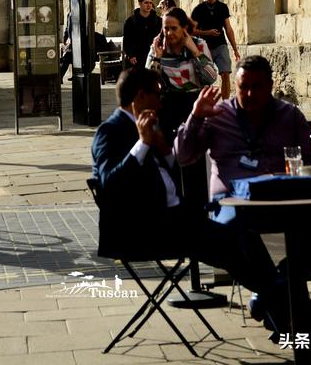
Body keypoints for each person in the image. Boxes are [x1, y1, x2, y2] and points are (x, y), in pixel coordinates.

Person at [91, 67, 289, 333]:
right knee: (232, 242)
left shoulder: (150, 125)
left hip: (172, 220)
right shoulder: (110, 131)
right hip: (141, 230)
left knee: (242, 235)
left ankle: (281, 308)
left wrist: (163, 149)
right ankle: (290, 305)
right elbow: (109, 186)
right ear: (140, 96)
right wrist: (141, 145)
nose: (160, 103)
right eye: (157, 95)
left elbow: (168, 176)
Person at [175, 56, 311, 331]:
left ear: (270, 85)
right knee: (235, 235)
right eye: (242, 87)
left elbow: (310, 163)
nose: (249, 94)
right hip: (233, 204)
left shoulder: (289, 115)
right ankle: (299, 312)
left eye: (256, 87)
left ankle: (274, 291)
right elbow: (185, 157)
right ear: (233, 85)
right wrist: (195, 116)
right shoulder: (218, 115)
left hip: (282, 201)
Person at [146, 6, 218, 142]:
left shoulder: (199, 44)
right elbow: (149, 82)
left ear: (184, 28)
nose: (169, 33)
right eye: (166, 28)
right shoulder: (158, 47)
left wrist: (195, 52)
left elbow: (211, 77)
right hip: (168, 104)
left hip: (194, 101)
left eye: (174, 28)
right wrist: (157, 57)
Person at [191, 0, 239, 99]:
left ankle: (226, 104)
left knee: (225, 73)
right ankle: (204, 102)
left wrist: (235, 49)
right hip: (204, 47)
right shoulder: (199, 9)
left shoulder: (222, 7)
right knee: (206, 78)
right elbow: (191, 30)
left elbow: (228, 29)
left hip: (220, 45)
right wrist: (207, 32)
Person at [122, 0, 162, 69]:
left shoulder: (158, 20)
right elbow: (127, 40)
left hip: (153, 56)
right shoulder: (131, 21)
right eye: (146, 2)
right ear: (140, 3)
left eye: (150, 3)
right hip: (137, 58)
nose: (149, 5)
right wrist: (131, 55)